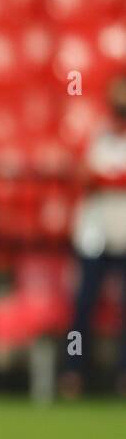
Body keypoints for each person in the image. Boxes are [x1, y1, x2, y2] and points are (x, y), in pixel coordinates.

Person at [61, 74, 126, 397]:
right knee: (83, 305)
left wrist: (109, 180)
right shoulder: (99, 136)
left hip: (123, 233)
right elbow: (86, 177)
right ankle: (74, 373)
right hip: (95, 233)